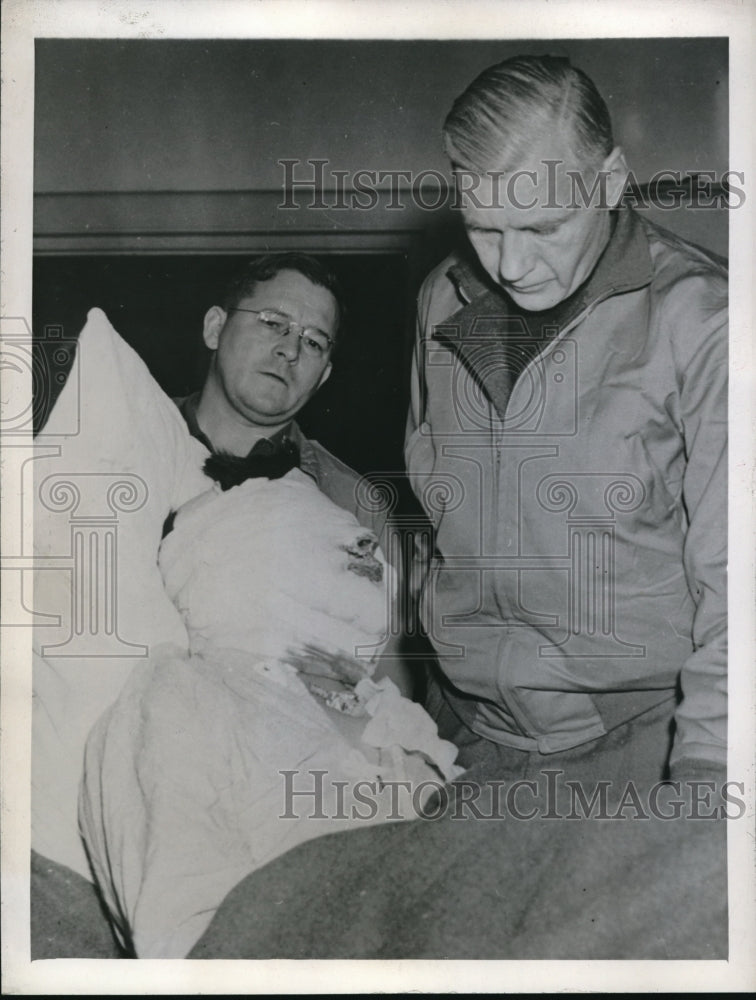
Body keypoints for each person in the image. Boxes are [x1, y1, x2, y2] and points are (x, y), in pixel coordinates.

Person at [405, 54, 727, 788]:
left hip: (645, 740)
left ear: (609, 182)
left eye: (542, 226)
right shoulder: (442, 300)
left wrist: (710, 777)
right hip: (469, 737)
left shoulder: (706, 322)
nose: (511, 265)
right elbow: (434, 528)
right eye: (484, 227)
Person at [174, 251, 387, 541]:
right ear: (215, 328)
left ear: (323, 376)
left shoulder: (357, 506)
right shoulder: (124, 434)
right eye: (273, 323)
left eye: (313, 342)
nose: (290, 350)